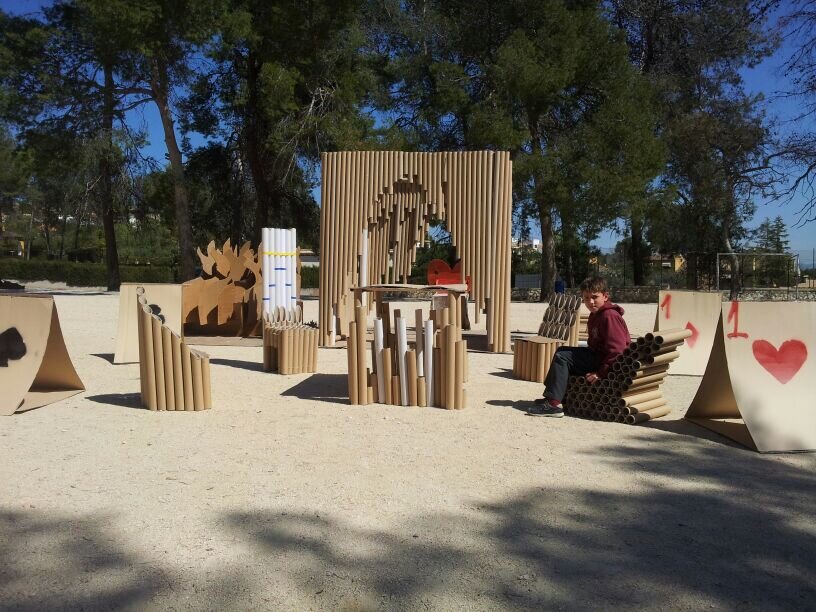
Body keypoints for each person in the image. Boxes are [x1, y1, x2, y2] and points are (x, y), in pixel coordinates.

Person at [527, 276, 630, 417]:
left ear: (605, 296)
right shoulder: (596, 315)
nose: (590, 302)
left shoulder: (609, 316)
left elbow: (617, 350)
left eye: (595, 297)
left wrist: (601, 373)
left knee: (563, 357)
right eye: (586, 298)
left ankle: (553, 405)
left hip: (605, 361)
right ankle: (552, 396)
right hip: (597, 355)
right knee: (562, 351)